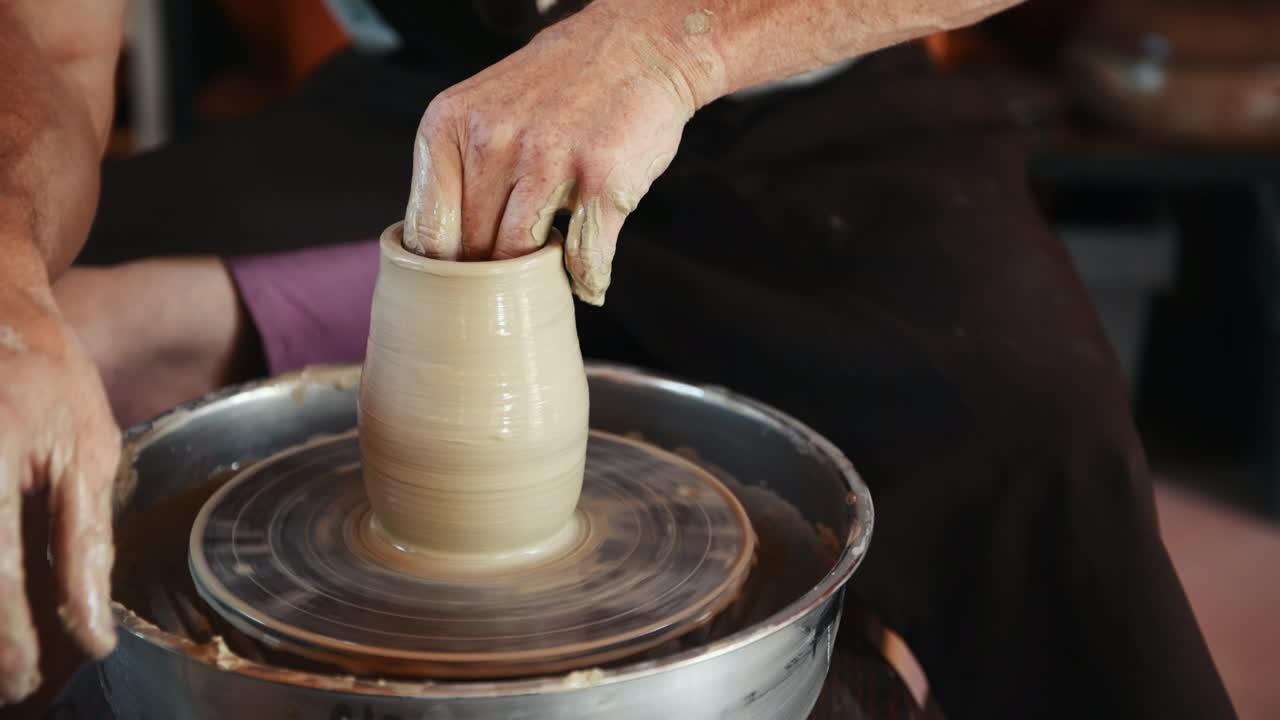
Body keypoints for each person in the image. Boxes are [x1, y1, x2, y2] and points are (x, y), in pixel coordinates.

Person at [1, 1, 1237, 718]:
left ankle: (250, 312)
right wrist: (9, 294)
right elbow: (45, 54)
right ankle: (234, 312)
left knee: (1035, 446)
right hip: (447, 105)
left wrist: (666, 45)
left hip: (792, 71)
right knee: (50, 392)